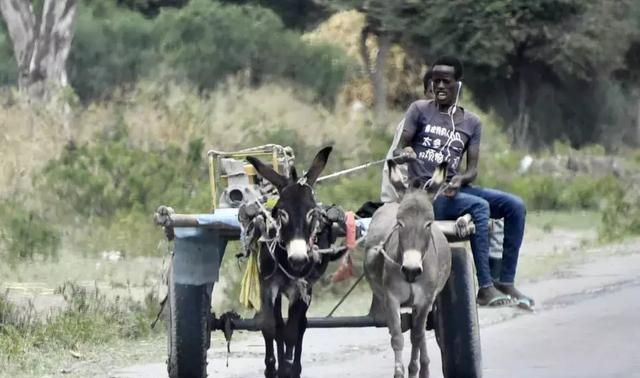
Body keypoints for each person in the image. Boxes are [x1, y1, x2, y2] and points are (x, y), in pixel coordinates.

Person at [385, 56, 533, 307]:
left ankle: (505, 281)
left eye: (446, 82)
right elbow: (399, 150)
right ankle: (485, 288)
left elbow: (471, 170)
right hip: (428, 196)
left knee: (515, 205)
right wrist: (404, 153)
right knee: (479, 207)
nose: (439, 87)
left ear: (458, 86)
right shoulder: (419, 110)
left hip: (454, 189)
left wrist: (459, 181)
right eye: (435, 81)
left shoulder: (472, 122)